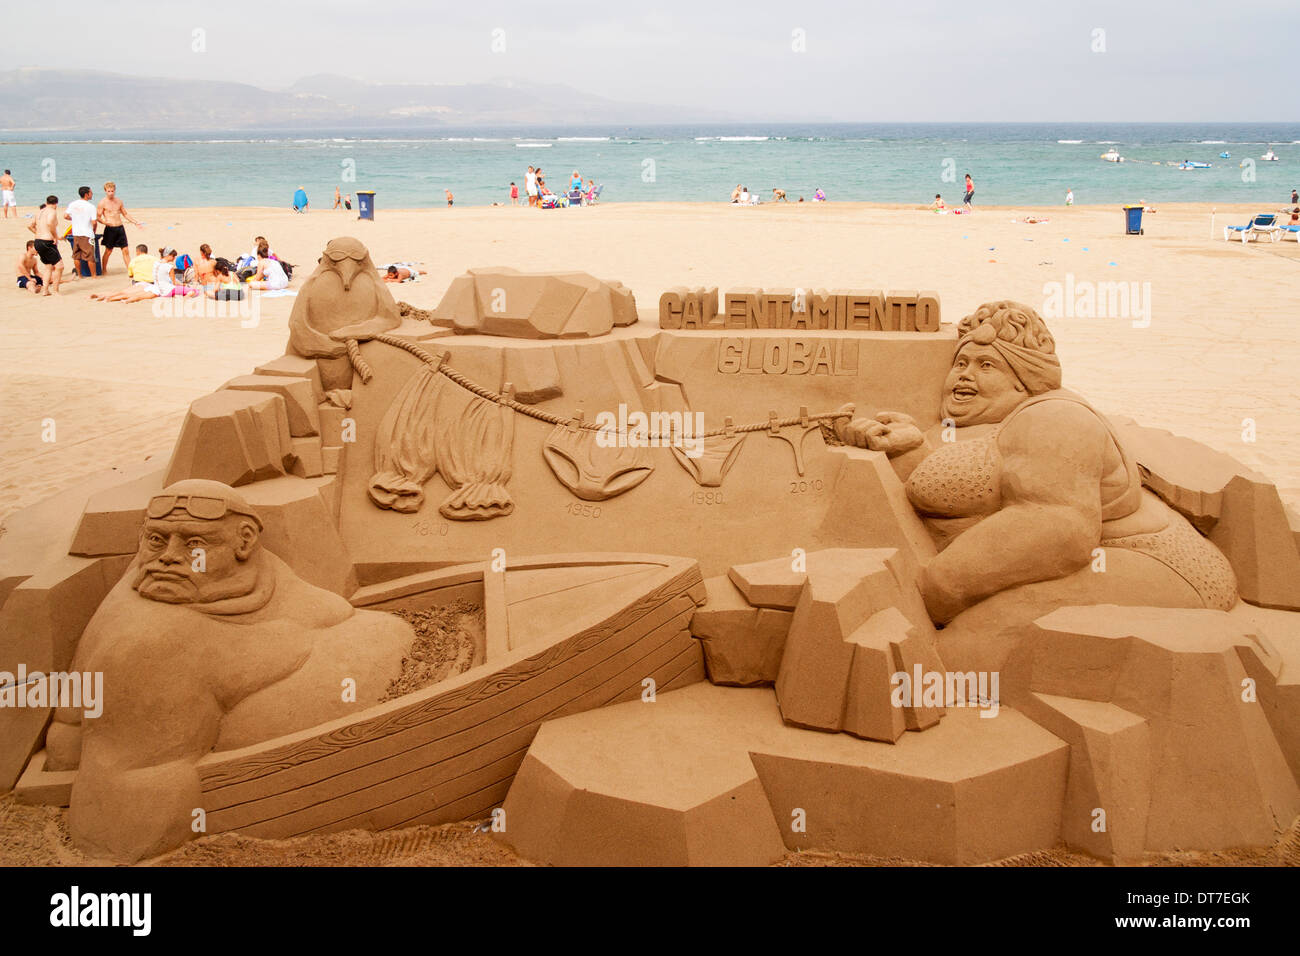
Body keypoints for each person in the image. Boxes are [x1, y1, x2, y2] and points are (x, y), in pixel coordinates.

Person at [833, 301, 1236, 643]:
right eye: (961, 362)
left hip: (1153, 563)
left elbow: (1055, 530)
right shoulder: (981, 425)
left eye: (986, 364)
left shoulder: (1055, 420)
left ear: (1023, 380)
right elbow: (980, 488)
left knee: (966, 645)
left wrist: (932, 592)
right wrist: (911, 450)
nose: (964, 375)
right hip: (1082, 556)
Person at [96, 182, 141, 277]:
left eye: (112, 191)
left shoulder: (119, 201)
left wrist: (135, 222)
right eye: (109, 191)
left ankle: (130, 271)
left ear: (114, 190)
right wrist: (105, 222)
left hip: (120, 228)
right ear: (105, 191)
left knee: (125, 250)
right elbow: (98, 217)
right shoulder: (102, 202)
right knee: (108, 251)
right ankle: (104, 270)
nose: (111, 193)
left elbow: (125, 214)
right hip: (110, 228)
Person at [27, 195, 65, 296]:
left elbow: (30, 225)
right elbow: (49, 223)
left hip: (38, 241)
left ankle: (45, 290)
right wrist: (55, 236)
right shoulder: (52, 211)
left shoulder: (39, 212)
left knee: (48, 267)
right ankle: (55, 290)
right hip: (47, 241)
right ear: (56, 204)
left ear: (46, 202)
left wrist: (37, 233)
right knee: (60, 266)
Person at [64, 186, 98, 280]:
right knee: (90, 255)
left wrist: (74, 219)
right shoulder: (91, 206)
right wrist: (94, 230)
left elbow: (65, 216)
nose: (92, 194)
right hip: (87, 233)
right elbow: (94, 222)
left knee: (76, 255)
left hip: (76, 233)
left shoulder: (73, 204)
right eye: (91, 192)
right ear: (87, 194)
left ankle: (79, 275)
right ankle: (94, 276)